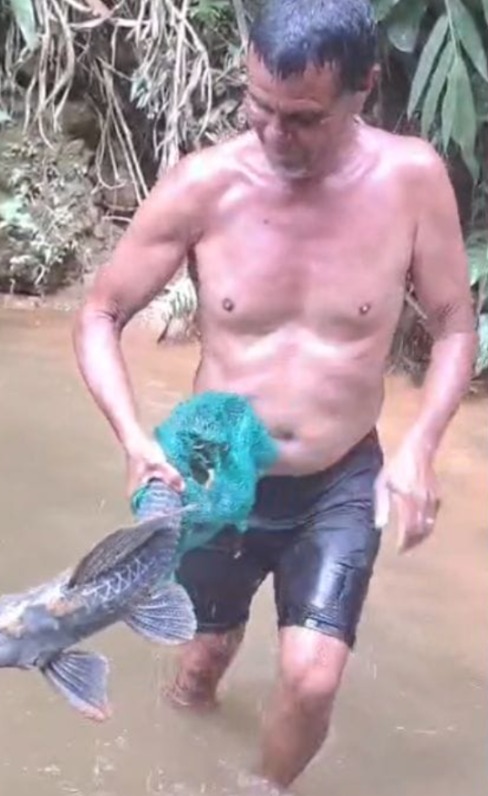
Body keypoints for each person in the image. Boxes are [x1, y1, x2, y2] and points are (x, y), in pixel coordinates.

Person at [72, 0, 477, 790]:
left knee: (314, 678)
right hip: (217, 470)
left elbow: (457, 323)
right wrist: (133, 438)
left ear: (363, 89)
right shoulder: (204, 186)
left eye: (304, 119)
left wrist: (422, 444)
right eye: (260, 107)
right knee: (204, 656)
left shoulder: (411, 180)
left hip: (338, 475)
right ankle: (179, 734)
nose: (275, 135)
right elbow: (100, 312)